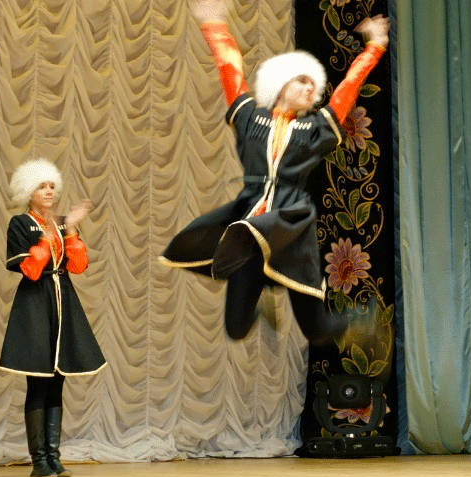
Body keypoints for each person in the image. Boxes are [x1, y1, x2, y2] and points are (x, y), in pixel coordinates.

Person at [160, 0, 390, 348]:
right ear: (279, 84)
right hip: (250, 224)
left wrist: (374, 47)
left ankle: (362, 319)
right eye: (302, 80)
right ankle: (263, 292)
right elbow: (230, 70)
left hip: (290, 222)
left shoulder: (315, 128)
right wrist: (214, 24)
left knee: (315, 330)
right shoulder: (251, 118)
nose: (311, 89)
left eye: (314, 85)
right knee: (236, 329)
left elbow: (348, 88)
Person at [0, 158, 106, 477]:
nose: (48, 192)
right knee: (38, 383)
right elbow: (31, 270)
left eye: (51, 186)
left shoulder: (61, 224)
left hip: (62, 301)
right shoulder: (21, 223)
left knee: (57, 383)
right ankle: (39, 461)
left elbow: (77, 266)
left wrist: (70, 228)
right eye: (41, 186)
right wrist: (46, 237)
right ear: (28, 191)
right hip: (35, 303)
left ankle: (54, 457)